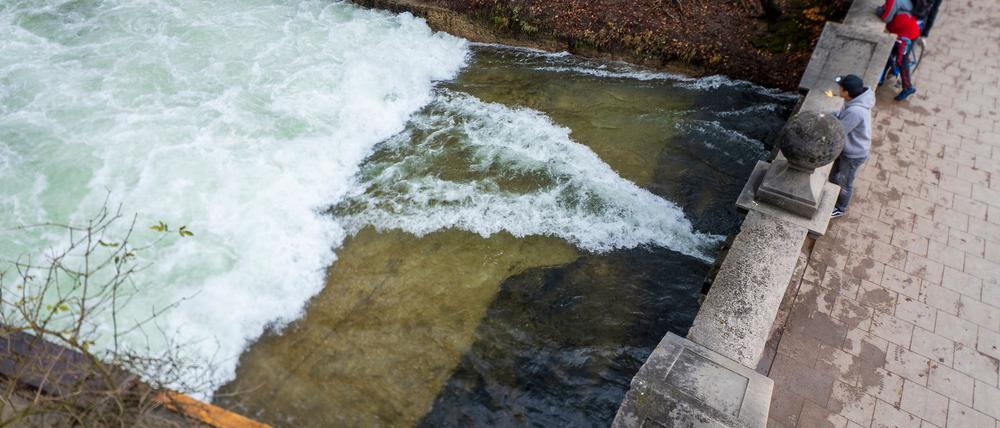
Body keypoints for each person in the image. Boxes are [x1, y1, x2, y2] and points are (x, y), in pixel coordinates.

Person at [830, 75, 875, 219]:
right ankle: (833, 194)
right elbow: (841, 115)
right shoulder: (854, 101)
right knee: (835, 176)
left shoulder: (856, 111)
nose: (839, 89)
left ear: (847, 92)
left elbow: (839, 131)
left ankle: (840, 208)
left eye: (841, 88)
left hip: (853, 155)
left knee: (845, 182)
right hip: (847, 149)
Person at [878, 0, 921, 101]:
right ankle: (881, 77)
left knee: (901, 61)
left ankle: (908, 87)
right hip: (905, 31)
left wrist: (879, 11)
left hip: (905, 35)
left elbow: (886, 17)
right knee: (888, 53)